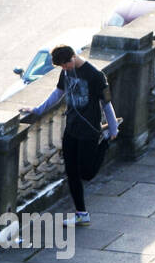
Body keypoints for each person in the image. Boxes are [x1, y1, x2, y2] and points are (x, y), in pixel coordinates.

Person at [20, 45, 119, 227]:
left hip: (89, 130)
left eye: (66, 65)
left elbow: (106, 104)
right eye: (61, 67)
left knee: (87, 173)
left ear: (73, 57)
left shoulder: (95, 76)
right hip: (71, 129)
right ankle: (82, 214)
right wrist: (37, 110)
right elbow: (57, 94)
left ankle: (104, 142)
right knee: (71, 173)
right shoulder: (65, 73)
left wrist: (113, 130)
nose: (64, 69)